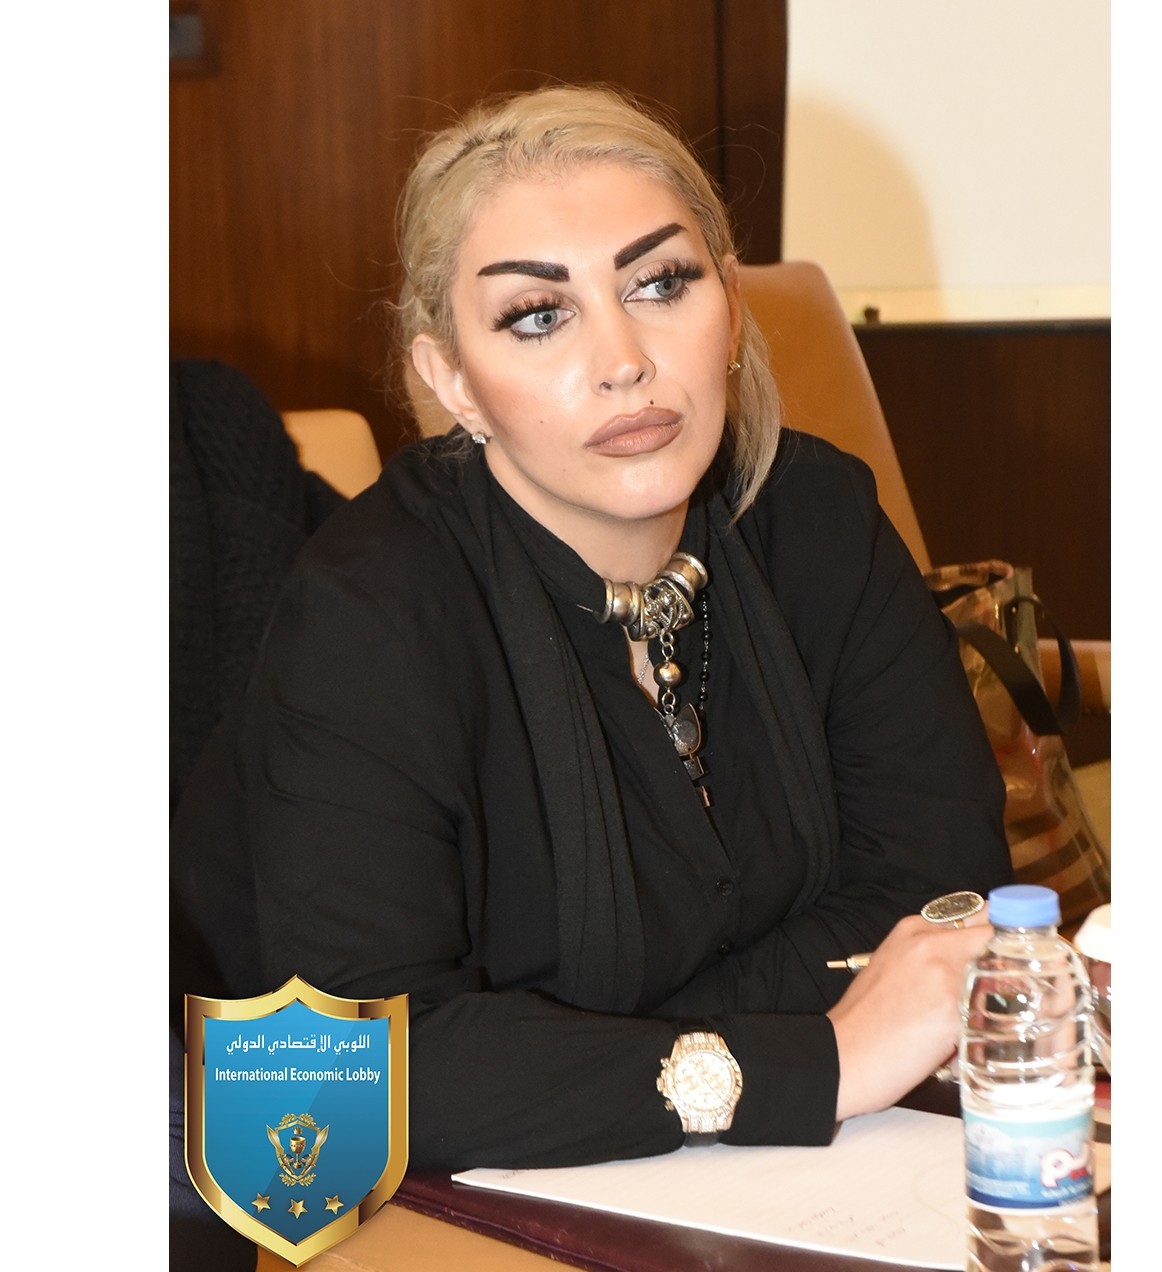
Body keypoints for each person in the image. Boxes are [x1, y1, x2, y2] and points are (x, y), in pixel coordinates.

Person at [172, 85, 1012, 1171]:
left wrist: (586, 1061)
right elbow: (348, 1073)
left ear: (730, 304)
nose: (623, 359)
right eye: (538, 313)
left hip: (754, 1171)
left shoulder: (818, 516)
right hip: (296, 1185)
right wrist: (813, 1057)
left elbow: (940, 899)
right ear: (451, 379)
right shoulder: (366, 613)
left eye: (660, 283)